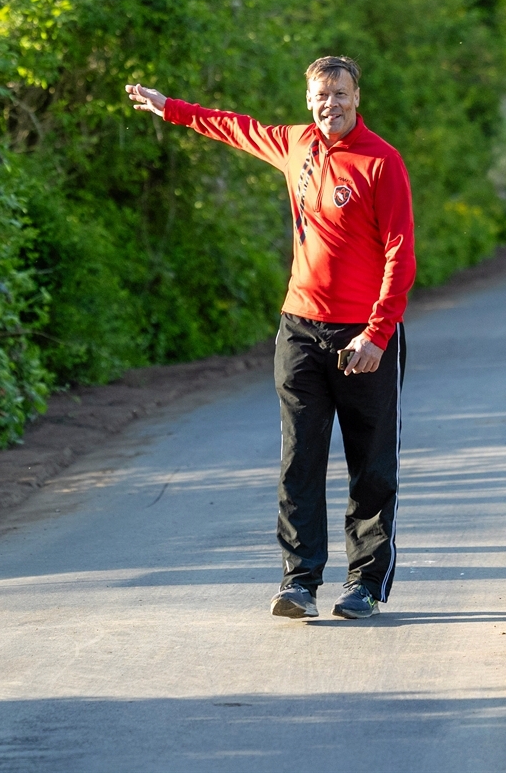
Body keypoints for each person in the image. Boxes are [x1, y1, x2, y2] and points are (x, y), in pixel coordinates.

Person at [126, 57, 414, 620]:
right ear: (308, 99)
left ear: (357, 97)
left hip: (366, 336)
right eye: (319, 94)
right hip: (300, 329)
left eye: (339, 93)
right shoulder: (294, 145)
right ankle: (299, 581)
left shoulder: (383, 162)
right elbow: (232, 125)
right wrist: (172, 109)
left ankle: (365, 583)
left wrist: (377, 335)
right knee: (298, 460)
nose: (329, 103)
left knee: (371, 465)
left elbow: (400, 257)